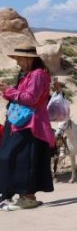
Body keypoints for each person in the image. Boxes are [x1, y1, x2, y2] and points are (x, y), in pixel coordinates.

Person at [0, 46, 54, 211]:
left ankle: (27, 197)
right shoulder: (29, 74)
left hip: (31, 124)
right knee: (14, 158)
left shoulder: (38, 75)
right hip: (20, 122)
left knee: (21, 159)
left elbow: (30, 99)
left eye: (20, 59)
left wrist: (9, 90)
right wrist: (7, 91)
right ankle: (16, 194)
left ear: (30, 59)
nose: (18, 63)